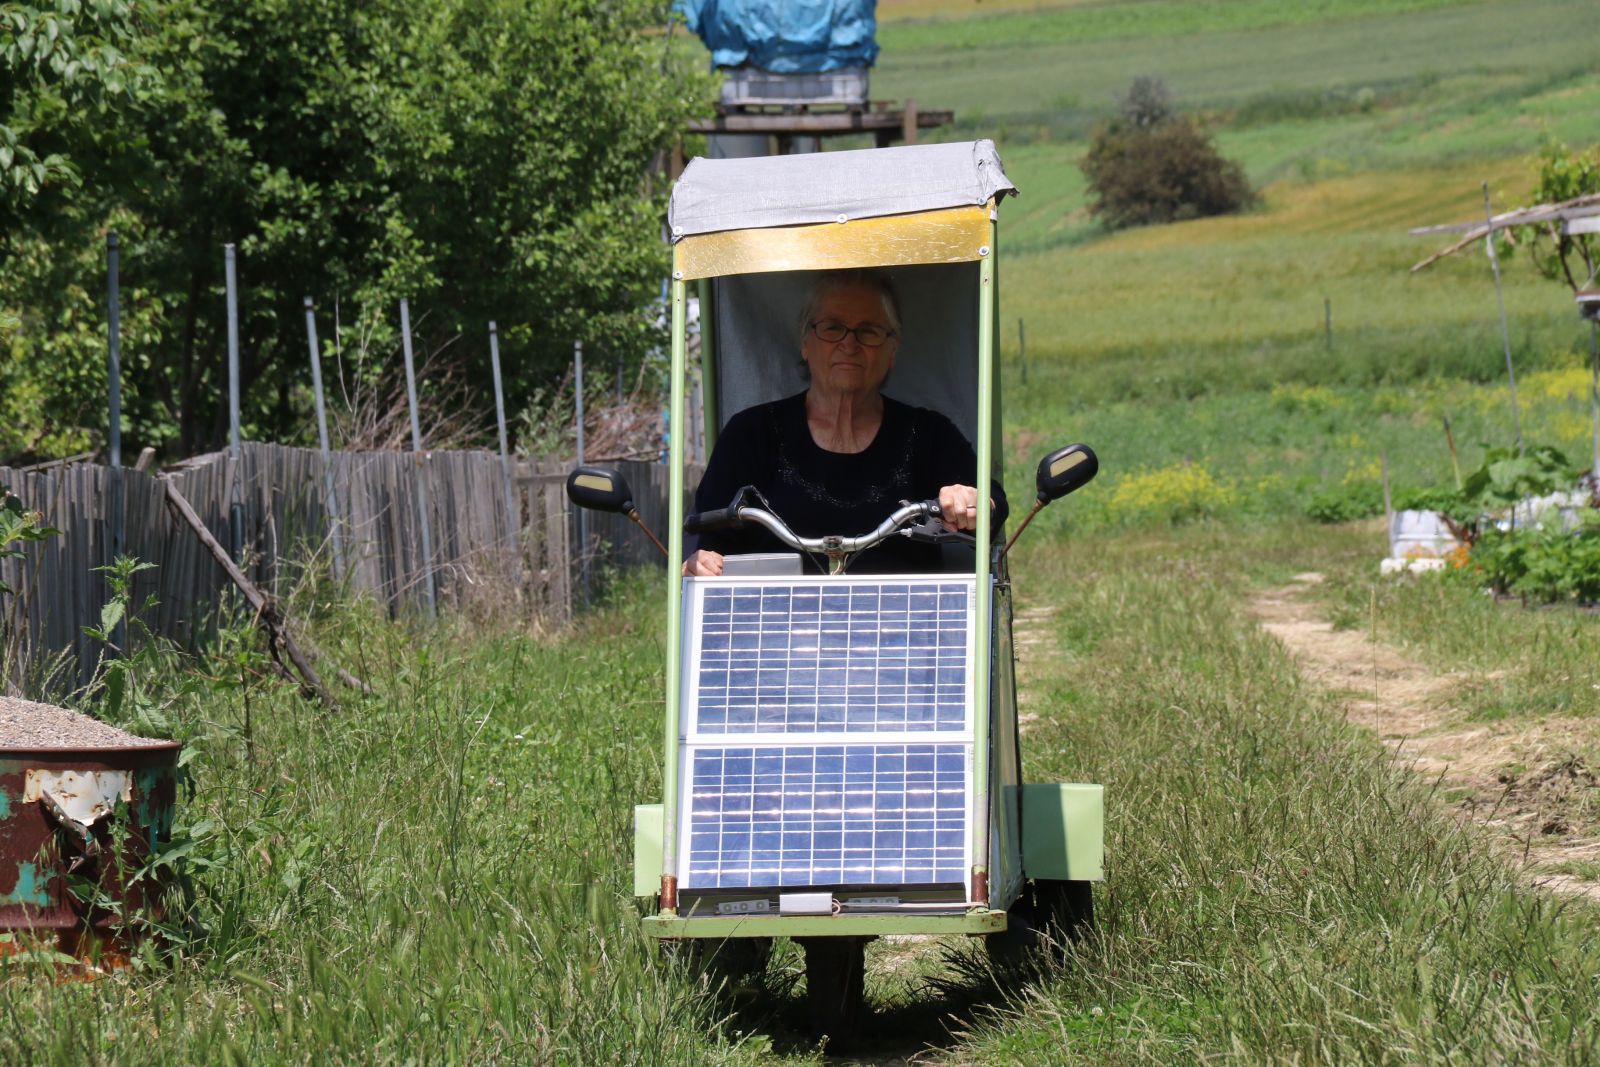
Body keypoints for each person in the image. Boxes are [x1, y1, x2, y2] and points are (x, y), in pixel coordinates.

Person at [684, 269, 1008, 575]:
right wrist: (699, 562)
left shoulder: (927, 435)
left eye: (868, 331)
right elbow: (704, 534)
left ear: (892, 351)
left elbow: (992, 507)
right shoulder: (751, 435)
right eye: (832, 327)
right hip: (776, 627)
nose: (849, 344)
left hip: (903, 628)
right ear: (805, 343)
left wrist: (973, 502)